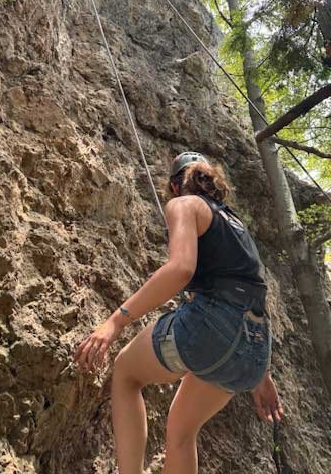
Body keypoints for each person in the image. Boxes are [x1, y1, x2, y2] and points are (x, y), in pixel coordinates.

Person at [73, 152, 283, 474]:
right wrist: (262, 376)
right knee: (182, 431)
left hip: (213, 330)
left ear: (175, 186)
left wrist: (115, 322)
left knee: (127, 372)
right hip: (253, 355)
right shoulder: (238, 228)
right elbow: (254, 294)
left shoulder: (184, 204)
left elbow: (181, 268)